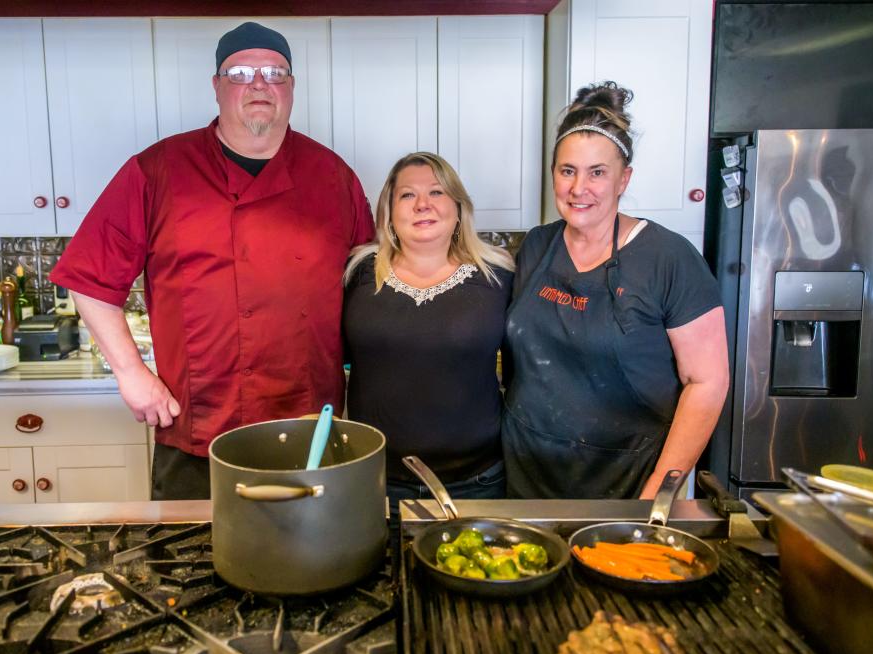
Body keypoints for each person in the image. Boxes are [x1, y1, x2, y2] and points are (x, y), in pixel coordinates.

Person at [50, 22, 374, 499]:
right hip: (198, 428)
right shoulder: (158, 170)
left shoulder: (333, 176)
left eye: (275, 72)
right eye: (241, 72)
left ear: (292, 89)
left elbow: (368, 286)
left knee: (312, 562)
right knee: (184, 566)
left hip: (310, 429)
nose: (260, 83)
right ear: (217, 87)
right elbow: (89, 279)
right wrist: (131, 373)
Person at [502, 82, 729, 500]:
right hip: (526, 473)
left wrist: (658, 495)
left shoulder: (669, 258)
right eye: (567, 170)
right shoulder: (537, 245)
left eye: (597, 173)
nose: (578, 188)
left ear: (624, 178)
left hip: (626, 481)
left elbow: (708, 382)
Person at [343, 152, 514, 516]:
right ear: (389, 211)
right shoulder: (357, 272)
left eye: (436, 192)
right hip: (373, 479)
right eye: (407, 195)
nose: (423, 205)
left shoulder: (499, 276)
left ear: (458, 208)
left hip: (477, 482)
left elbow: (524, 372)